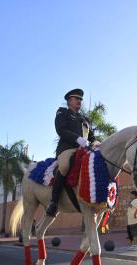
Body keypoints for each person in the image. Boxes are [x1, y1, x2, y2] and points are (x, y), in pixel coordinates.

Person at [46, 88, 94, 217]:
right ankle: (54, 202)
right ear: (69, 101)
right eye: (76, 99)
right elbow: (61, 129)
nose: (79, 101)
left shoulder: (86, 120)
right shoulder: (63, 113)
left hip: (84, 150)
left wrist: (96, 143)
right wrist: (77, 139)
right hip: (67, 148)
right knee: (65, 166)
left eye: (80, 99)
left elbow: (92, 138)